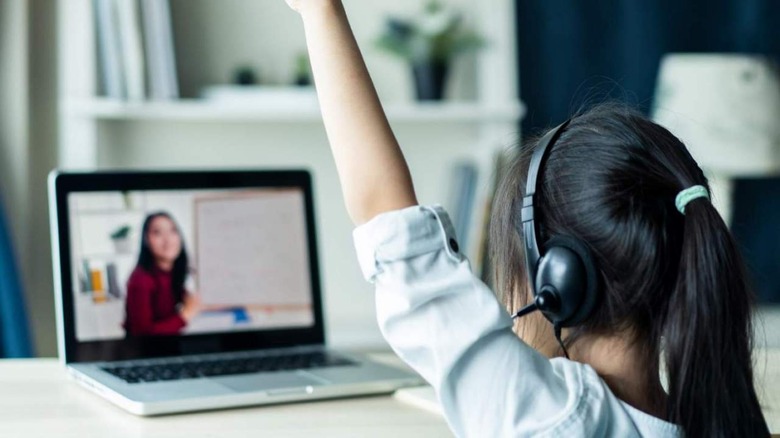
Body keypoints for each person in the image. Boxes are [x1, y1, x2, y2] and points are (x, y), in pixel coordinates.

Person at [283, 1, 770, 437]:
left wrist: (318, 12)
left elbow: (385, 213)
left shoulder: (551, 415)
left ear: (558, 280)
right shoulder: (717, 418)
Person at [124, 212, 201, 336]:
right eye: (157, 232)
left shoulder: (171, 272)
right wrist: (185, 315)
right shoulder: (140, 280)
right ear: (146, 240)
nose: (168, 239)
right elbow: (143, 336)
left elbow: (194, 301)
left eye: (173, 231)